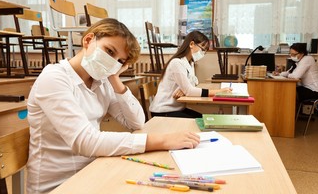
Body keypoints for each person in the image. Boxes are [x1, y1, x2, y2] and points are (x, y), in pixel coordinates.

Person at [26, 18, 201, 193]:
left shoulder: (101, 82)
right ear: (88, 40)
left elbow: (136, 122)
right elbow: (85, 142)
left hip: (92, 173)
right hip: (59, 186)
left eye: (119, 61)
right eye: (109, 51)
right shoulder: (54, 78)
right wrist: (163, 140)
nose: (113, 62)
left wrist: (114, 78)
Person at [149, 30, 232, 118]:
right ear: (191, 44)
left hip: (176, 109)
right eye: (202, 49)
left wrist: (184, 89)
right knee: (203, 121)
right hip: (164, 111)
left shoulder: (190, 63)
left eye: (205, 52)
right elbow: (190, 90)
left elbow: (194, 83)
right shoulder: (177, 63)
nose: (203, 53)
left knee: (204, 118)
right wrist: (218, 92)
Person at [273, 42, 318, 107]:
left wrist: (287, 75)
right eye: (290, 54)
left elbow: (296, 76)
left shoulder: (307, 59)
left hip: (316, 91)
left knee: (290, 91)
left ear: (302, 53)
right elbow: (289, 72)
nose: (292, 56)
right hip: (308, 88)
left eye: (294, 54)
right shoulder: (298, 61)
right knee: (290, 90)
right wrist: (279, 74)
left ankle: (289, 114)